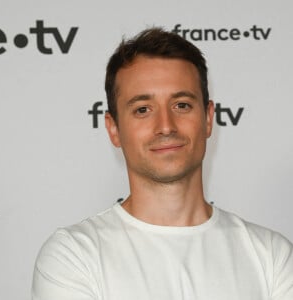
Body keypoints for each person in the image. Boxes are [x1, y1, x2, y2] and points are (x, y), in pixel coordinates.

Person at [32, 28, 293, 300]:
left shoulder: (272, 257)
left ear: (207, 118)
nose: (166, 126)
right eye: (142, 110)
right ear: (113, 129)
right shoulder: (73, 256)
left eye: (181, 105)